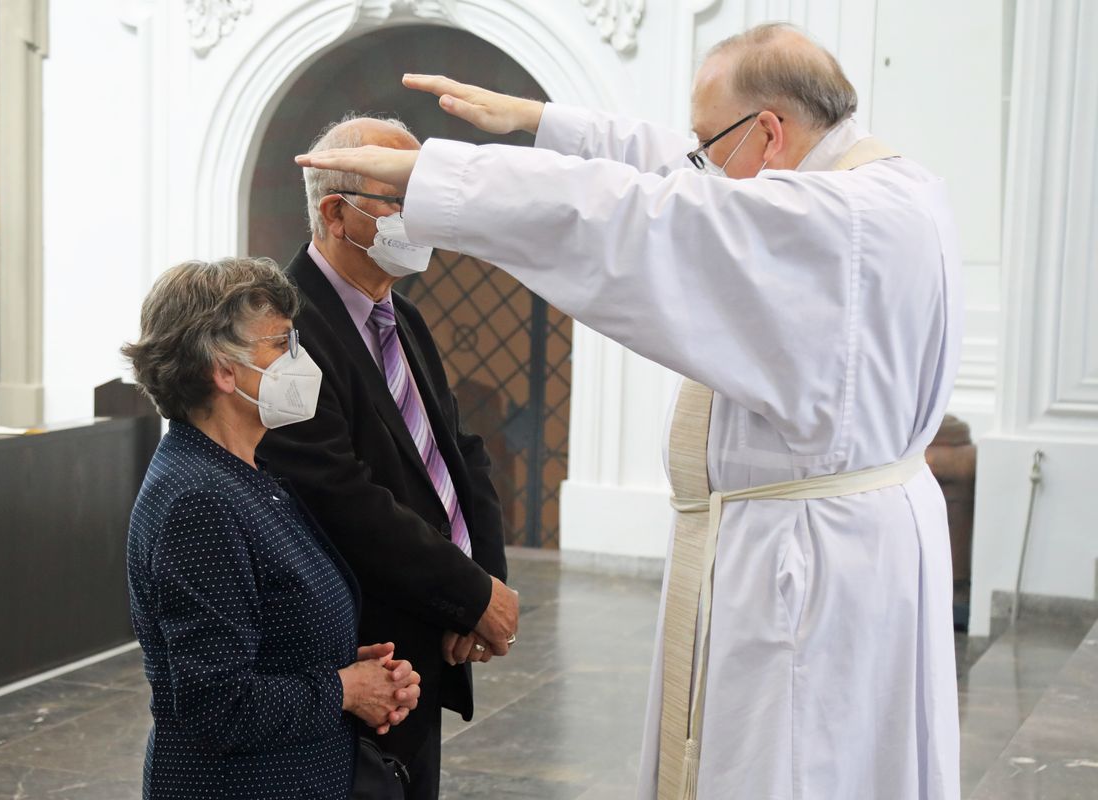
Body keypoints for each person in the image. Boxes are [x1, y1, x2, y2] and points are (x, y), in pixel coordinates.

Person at [294, 23, 963, 800]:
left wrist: (443, 180)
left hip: (806, 567)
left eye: (708, 143)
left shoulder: (820, 220)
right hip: (847, 542)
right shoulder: (887, 186)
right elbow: (679, 168)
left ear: (772, 131)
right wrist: (540, 122)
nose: (697, 163)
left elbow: (634, 213)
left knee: (792, 764)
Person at [257, 114, 518, 800]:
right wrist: (466, 594)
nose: (422, 220)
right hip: (358, 644)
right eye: (402, 201)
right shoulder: (285, 329)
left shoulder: (401, 314)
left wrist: (481, 584)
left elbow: (459, 455)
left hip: (426, 631)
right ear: (338, 215)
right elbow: (340, 493)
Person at [123, 256, 421, 800]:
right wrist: (344, 690)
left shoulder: (246, 471)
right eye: (281, 345)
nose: (300, 362)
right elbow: (216, 706)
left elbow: (266, 632)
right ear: (223, 369)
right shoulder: (199, 503)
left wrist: (357, 671)